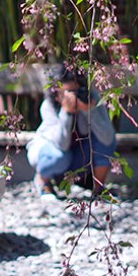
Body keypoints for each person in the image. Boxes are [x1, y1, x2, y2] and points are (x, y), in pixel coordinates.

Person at [26, 64, 117, 199]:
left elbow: (108, 138)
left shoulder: (92, 100)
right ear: (56, 94)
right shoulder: (49, 106)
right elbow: (61, 144)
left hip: (79, 156)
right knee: (60, 157)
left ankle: (98, 189)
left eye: (75, 90)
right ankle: (43, 181)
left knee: (104, 142)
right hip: (52, 155)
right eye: (66, 92)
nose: (72, 96)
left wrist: (88, 111)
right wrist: (67, 113)